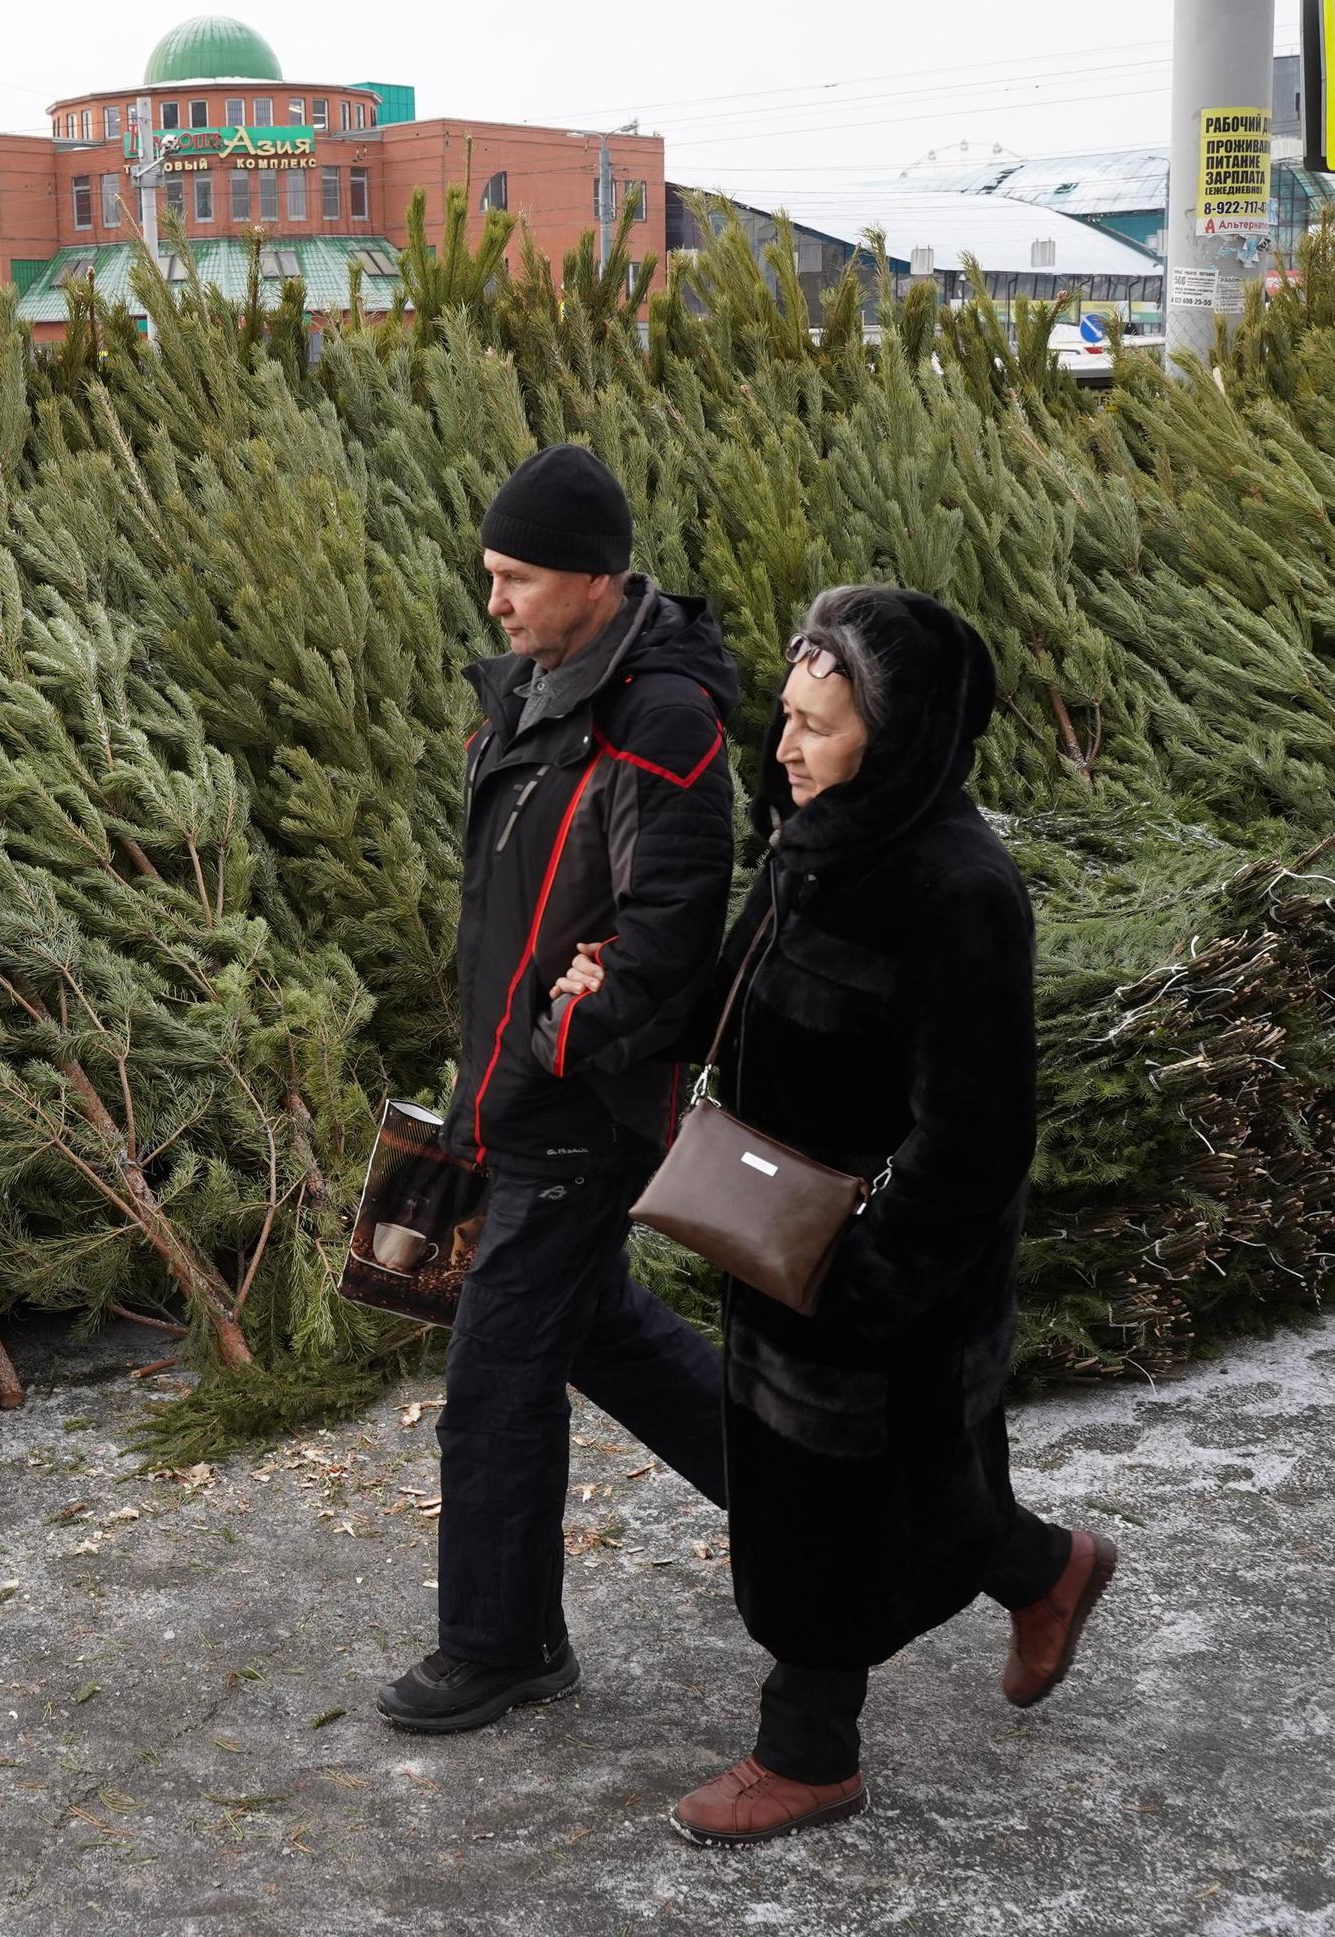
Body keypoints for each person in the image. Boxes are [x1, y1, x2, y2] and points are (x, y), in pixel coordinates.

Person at [592, 582, 1118, 1846]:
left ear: (895, 734)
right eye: (785, 715)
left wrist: (869, 1278)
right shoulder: (811, 846)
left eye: (816, 726)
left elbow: (978, 1134)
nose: (782, 748)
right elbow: (729, 997)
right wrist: (621, 993)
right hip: (783, 1238)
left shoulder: (957, 888)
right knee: (911, 1484)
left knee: (825, 1509)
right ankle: (1048, 1570)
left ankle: (808, 1751)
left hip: (886, 1267)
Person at [378, 442, 741, 1736]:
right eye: (489, 574)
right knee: (596, 1330)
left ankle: (502, 1646)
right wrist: (497, 1058)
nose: (495, 601)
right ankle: (818, 1503)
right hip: (522, 1096)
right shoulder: (530, 697)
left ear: (595, 577)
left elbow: (670, 933)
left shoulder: (662, 723)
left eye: (517, 576)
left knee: (495, 1379)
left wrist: (551, 1045)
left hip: (584, 1115)